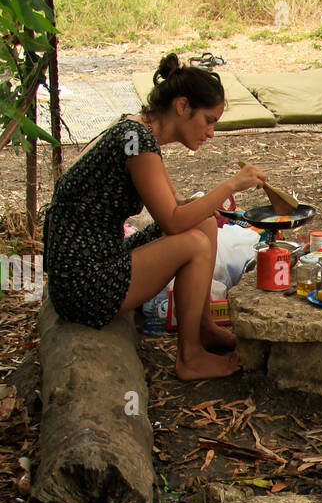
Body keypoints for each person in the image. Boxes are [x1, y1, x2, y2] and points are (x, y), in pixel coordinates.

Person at [43, 54, 269, 380]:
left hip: (95, 262)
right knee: (193, 242)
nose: (211, 133)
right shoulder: (137, 142)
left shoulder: (136, 128)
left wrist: (213, 202)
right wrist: (232, 184)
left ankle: (203, 328)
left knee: (204, 224)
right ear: (181, 106)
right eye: (208, 120)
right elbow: (172, 222)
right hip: (84, 284)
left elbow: (176, 203)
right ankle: (189, 358)